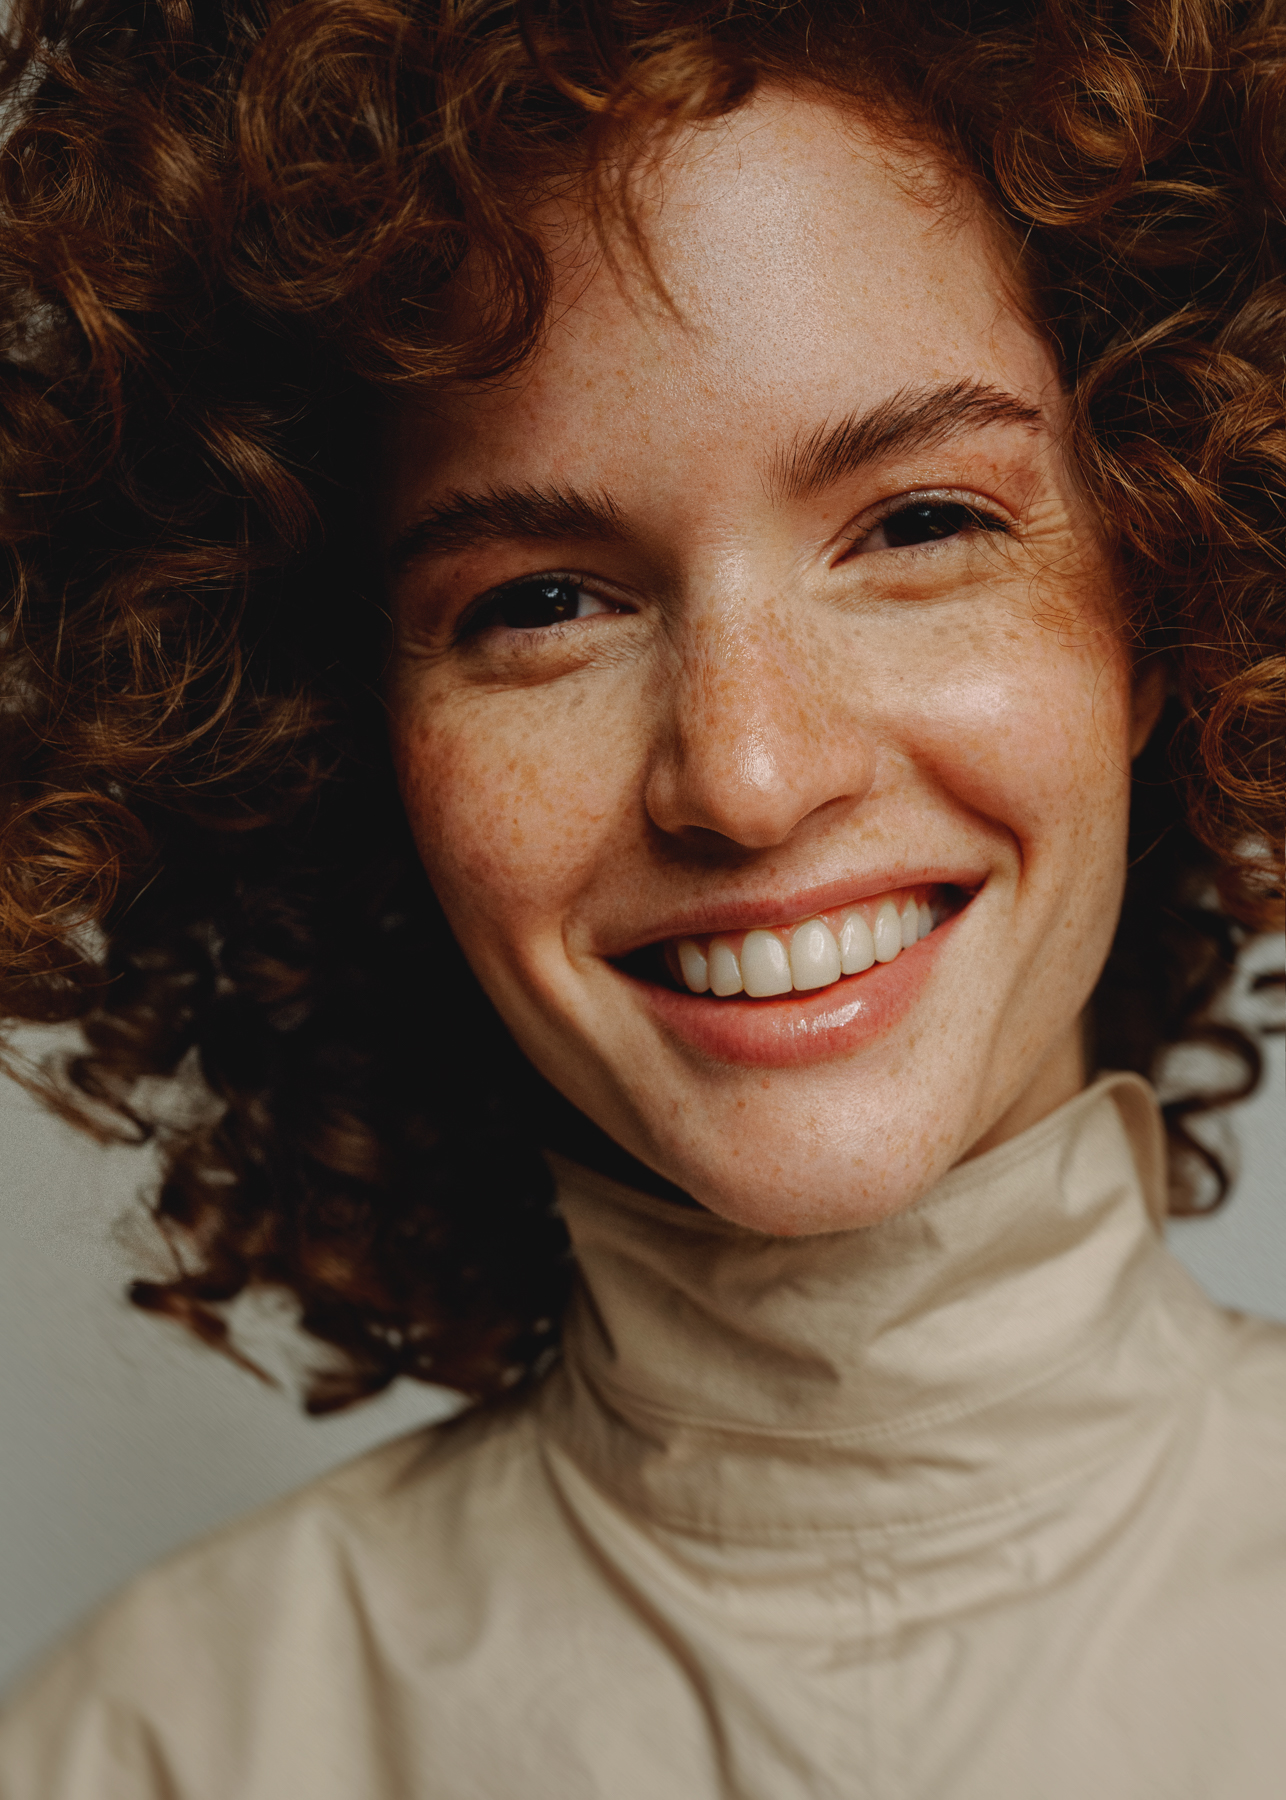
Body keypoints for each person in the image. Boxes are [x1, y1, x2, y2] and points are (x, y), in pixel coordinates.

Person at [0, 0, 1282, 1793]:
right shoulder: (160, 1752)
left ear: (1171, 598)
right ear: (347, 737)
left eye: (918, 524)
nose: (744, 776)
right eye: (539, 604)